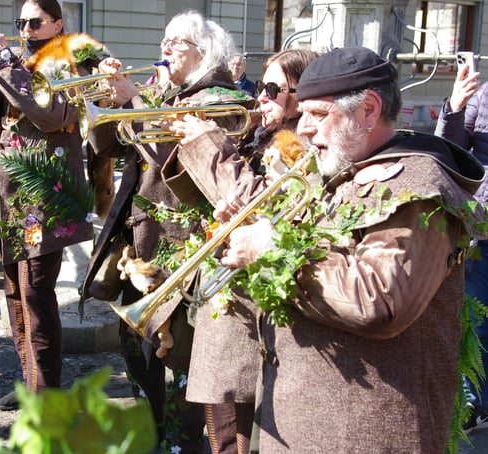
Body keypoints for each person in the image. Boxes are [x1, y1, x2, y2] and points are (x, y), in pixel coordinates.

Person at [164, 46, 485, 451]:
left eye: (318, 114)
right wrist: (252, 224)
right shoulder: (340, 171)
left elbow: (381, 300)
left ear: (368, 110)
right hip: (307, 422)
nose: (304, 129)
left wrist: (269, 250)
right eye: (303, 113)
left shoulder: (416, 188)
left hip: (365, 435)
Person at [81, 10, 254, 453]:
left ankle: (178, 445)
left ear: (203, 52)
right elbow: (109, 146)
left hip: (182, 249)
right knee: (137, 357)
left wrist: (135, 101)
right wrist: (112, 103)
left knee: (176, 362)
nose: (165, 48)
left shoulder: (220, 99)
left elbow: (173, 159)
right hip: (139, 247)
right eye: (164, 39)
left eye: (176, 41)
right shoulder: (163, 92)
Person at [162, 48, 318, 454]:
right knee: (221, 428)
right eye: (262, 86)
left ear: (303, 95)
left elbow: (269, 203)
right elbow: (214, 196)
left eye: (273, 89)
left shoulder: (302, 146)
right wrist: (190, 144)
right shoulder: (256, 135)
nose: (260, 96)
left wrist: (209, 146)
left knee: (235, 437)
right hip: (226, 303)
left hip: (249, 315)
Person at [0, 0, 98, 411]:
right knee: (14, 293)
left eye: (35, 22)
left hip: (43, 197)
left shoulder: (70, 62)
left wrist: (1, 59)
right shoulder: (12, 62)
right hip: (7, 193)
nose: (26, 29)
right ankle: (31, 380)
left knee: (36, 294)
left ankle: (45, 394)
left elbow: (51, 115)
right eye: (21, 22)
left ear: (57, 24)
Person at [434, 60, 488, 433]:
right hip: (482, 230)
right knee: (477, 322)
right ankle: (476, 404)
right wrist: (454, 105)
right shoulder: (483, 97)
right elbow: (448, 150)